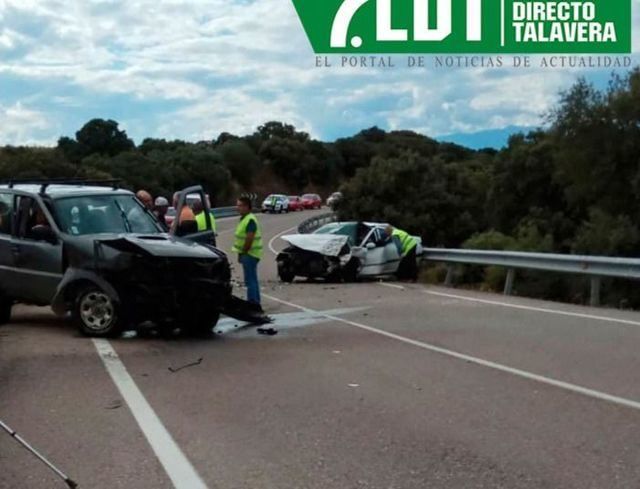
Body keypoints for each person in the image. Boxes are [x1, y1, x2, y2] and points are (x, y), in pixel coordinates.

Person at [232, 196, 263, 306]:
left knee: (250, 280)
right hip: (248, 253)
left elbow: (249, 238)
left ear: (246, 207)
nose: (238, 208)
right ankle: (255, 301)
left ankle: (253, 302)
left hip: (250, 253)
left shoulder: (250, 220)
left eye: (240, 205)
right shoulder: (244, 219)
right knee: (251, 279)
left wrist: (244, 252)